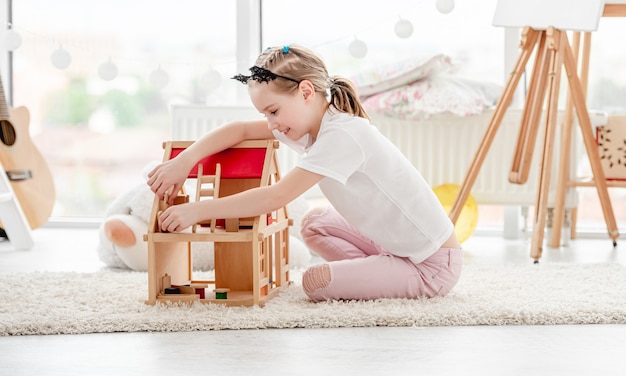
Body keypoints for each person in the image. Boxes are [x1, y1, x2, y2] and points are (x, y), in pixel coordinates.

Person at [147, 44, 463, 302]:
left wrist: (197, 211)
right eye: (265, 114)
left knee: (315, 282)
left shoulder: (342, 135)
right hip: (389, 243)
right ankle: (376, 272)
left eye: (273, 111)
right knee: (313, 225)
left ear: (306, 92)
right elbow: (239, 129)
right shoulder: (306, 124)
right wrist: (183, 162)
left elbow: (276, 196)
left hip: (430, 264)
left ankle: (381, 275)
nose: (271, 125)